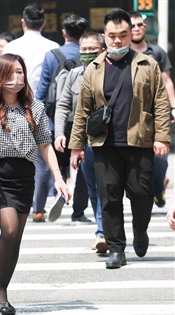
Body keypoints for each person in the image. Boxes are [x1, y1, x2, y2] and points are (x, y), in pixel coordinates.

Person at [0, 53, 71, 314]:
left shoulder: (34, 107)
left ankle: (2, 287)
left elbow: (45, 145)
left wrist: (59, 178)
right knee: (10, 230)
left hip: (24, 177)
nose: (17, 78)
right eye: (11, 73)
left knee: (15, 239)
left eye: (21, 73)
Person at [69, 8, 171, 269]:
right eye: (112, 36)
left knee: (141, 194)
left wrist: (162, 137)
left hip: (140, 142)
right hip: (105, 145)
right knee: (109, 197)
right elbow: (82, 110)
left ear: (130, 35)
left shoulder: (148, 64)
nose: (117, 41)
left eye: (123, 35)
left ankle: (141, 231)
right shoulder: (93, 68)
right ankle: (116, 248)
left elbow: (160, 103)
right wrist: (76, 146)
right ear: (105, 37)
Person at [54, 32, 107, 253]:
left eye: (92, 49)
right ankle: (102, 232)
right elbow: (62, 106)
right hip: (85, 141)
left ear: (102, 49)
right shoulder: (74, 75)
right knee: (94, 188)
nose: (86, 53)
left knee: (111, 187)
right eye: (83, 50)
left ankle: (113, 229)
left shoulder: (113, 73)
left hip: (112, 141)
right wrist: (60, 133)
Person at [33, 14, 89, 223]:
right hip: (81, 120)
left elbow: (41, 91)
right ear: (84, 34)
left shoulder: (52, 55)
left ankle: (38, 208)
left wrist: (39, 120)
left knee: (46, 164)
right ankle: (78, 211)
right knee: (82, 164)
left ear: (63, 32)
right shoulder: (90, 54)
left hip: (54, 118)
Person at [130, 11, 175, 208]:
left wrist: (173, 107)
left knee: (160, 160)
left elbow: (167, 82)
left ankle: (158, 189)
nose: (137, 28)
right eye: (132, 26)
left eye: (140, 25)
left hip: (156, 114)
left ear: (145, 27)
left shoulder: (157, 53)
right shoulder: (121, 54)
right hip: (129, 117)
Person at [3, 3, 59, 93]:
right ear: (44, 23)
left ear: (23, 22)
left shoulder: (10, 47)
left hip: (16, 98)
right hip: (46, 100)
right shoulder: (54, 47)